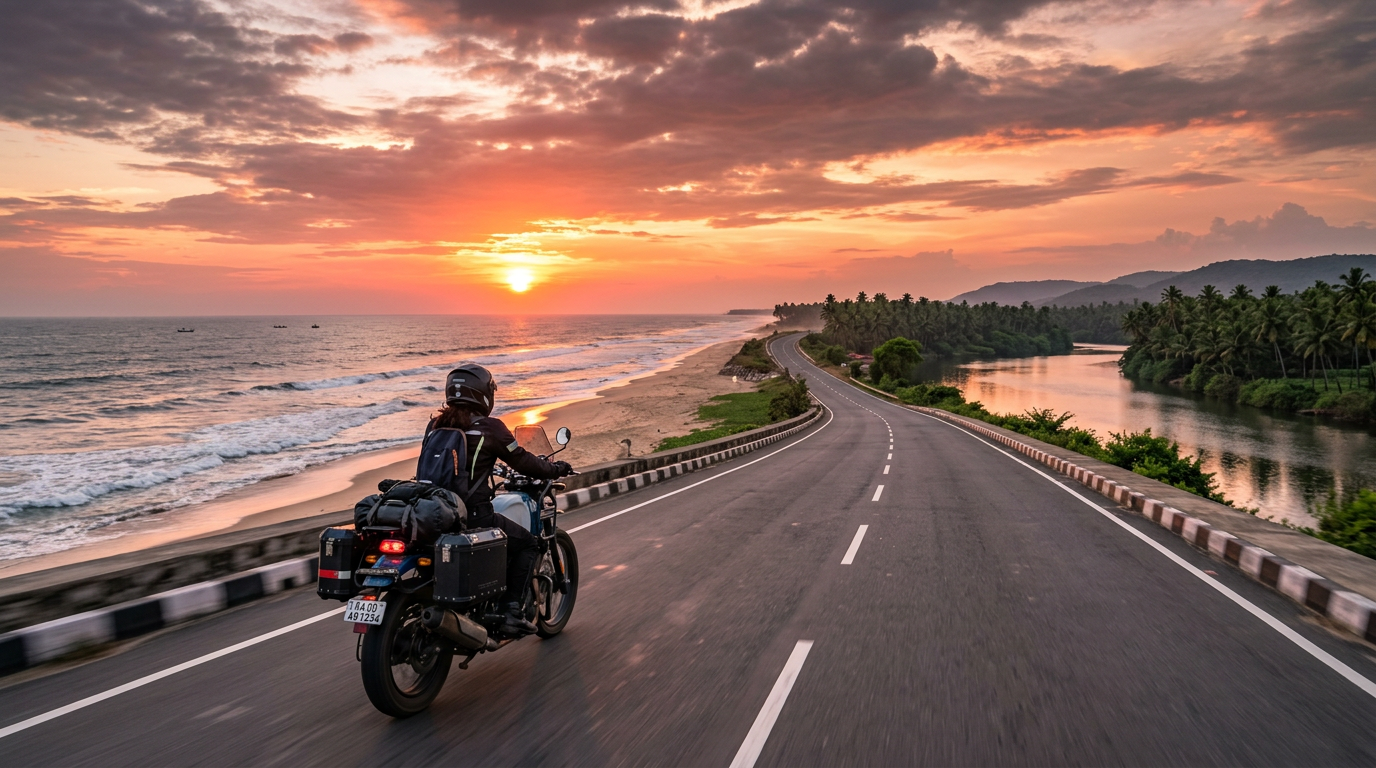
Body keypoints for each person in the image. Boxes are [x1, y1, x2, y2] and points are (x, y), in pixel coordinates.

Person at [428, 363, 572, 635]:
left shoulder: (435, 425)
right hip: (473, 514)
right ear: (483, 394)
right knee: (528, 544)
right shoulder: (490, 428)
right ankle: (511, 612)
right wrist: (555, 468)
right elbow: (523, 461)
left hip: (434, 511)